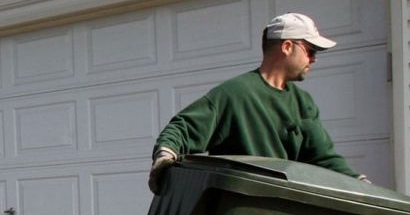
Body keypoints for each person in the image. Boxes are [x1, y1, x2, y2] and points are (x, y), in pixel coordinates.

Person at [149, 12, 369, 193]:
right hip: (240, 210)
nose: (314, 59)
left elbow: (323, 157)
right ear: (287, 47)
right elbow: (184, 128)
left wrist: (359, 183)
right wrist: (165, 155)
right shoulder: (234, 94)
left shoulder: (303, 103)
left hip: (283, 212)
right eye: (310, 50)